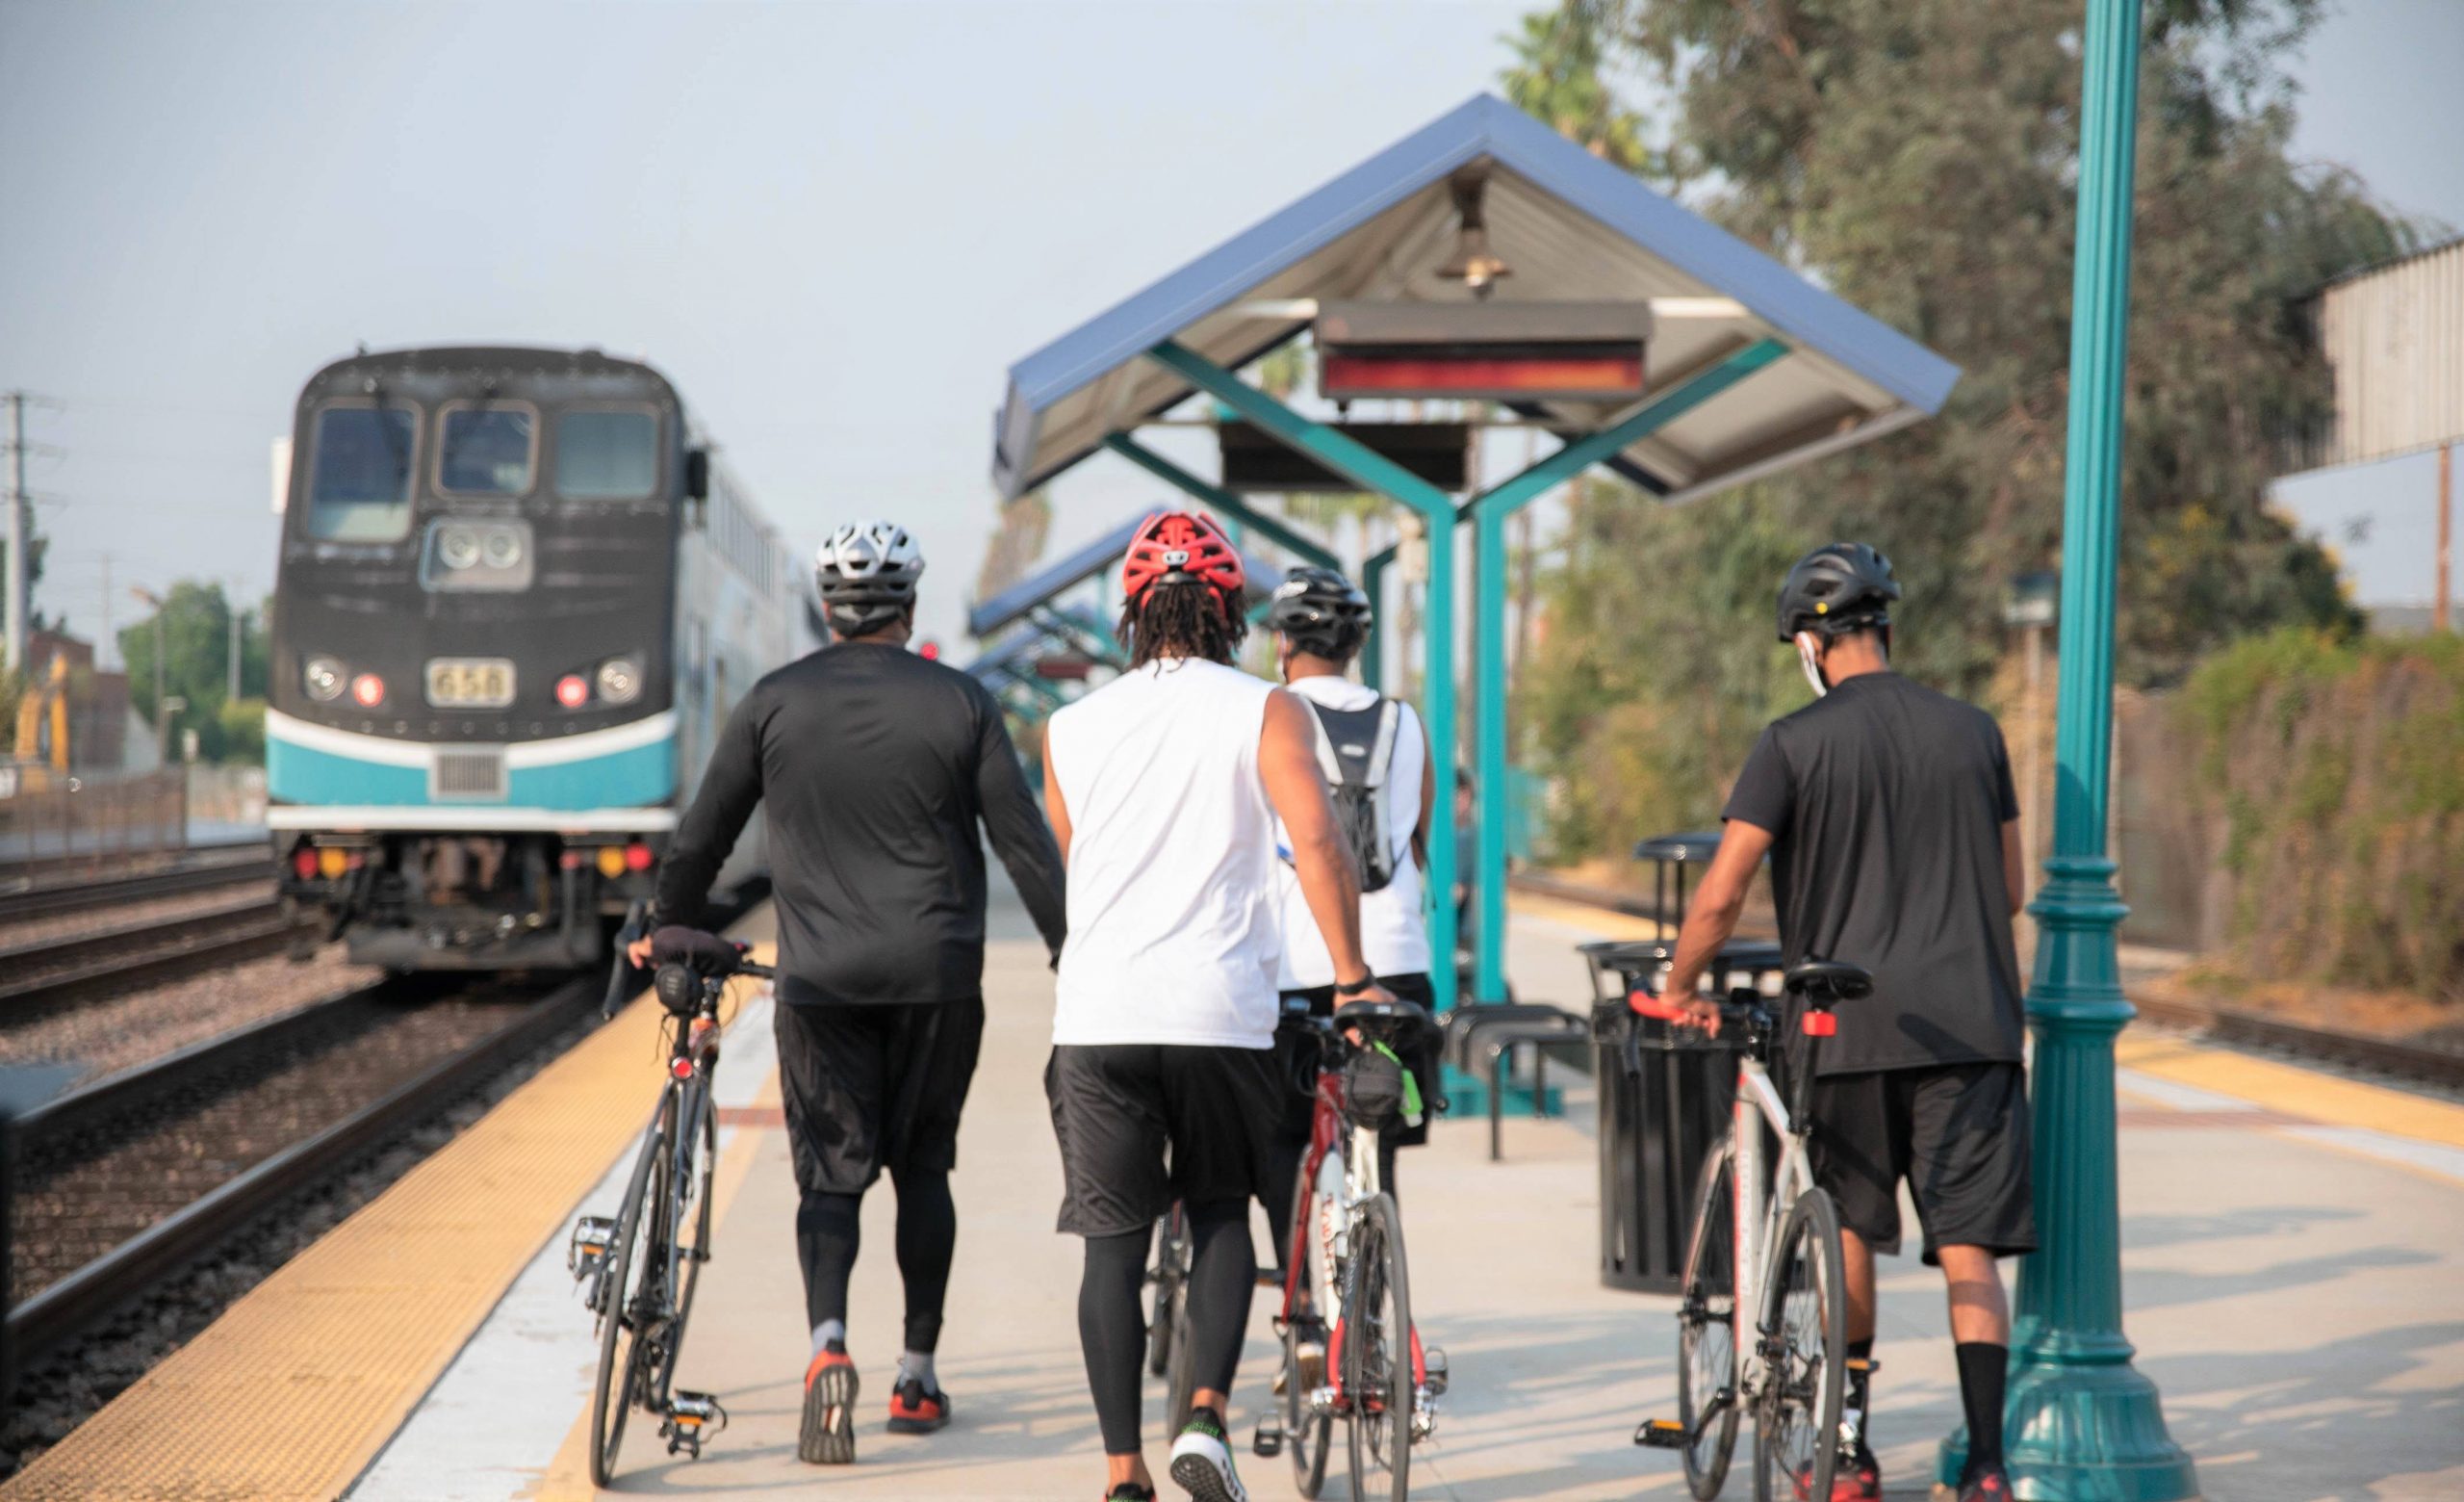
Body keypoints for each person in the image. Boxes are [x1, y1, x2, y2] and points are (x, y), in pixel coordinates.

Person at [641, 519, 1067, 1466]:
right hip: (938, 980)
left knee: (828, 1178)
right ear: (909, 608)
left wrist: (664, 920)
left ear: (827, 613)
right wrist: (1070, 950)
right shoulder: (961, 703)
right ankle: (915, 1375)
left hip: (821, 982)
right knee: (923, 1171)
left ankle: (826, 1344)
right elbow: (1023, 846)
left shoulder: (772, 702)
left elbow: (703, 839)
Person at [1656, 543, 2033, 1502]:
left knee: (1849, 1228)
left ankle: (1850, 1450)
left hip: (1841, 1027)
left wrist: (1679, 980)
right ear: (1884, 631)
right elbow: (2011, 889)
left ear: (1809, 646)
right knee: (1967, 1248)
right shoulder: (1975, 732)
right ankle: (1987, 1463)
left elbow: (1721, 895)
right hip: (1971, 1027)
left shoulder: (1791, 742)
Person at [1040, 513, 1396, 1502]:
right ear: (1230, 612)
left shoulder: (1068, 728)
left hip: (1100, 1014)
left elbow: (1080, 859)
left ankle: (1122, 1475)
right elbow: (1318, 843)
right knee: (1220, 1211)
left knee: (1110, 1246)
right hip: (1217, 1012)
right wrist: (1353, 973)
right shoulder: (1267, 709)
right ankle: (1204, 1415)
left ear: (1129, 613)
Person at [1258, 565, 1438, 1385]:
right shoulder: (1406, 723)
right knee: (1376, 1137)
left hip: (1299, 964)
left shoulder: (1270, 720)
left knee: (1282, 1141)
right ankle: (1365, 1317)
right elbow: (1421, 841)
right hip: (1398, 965)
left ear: (1283, 642)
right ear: (1356, 644)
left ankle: (1302, 1318)